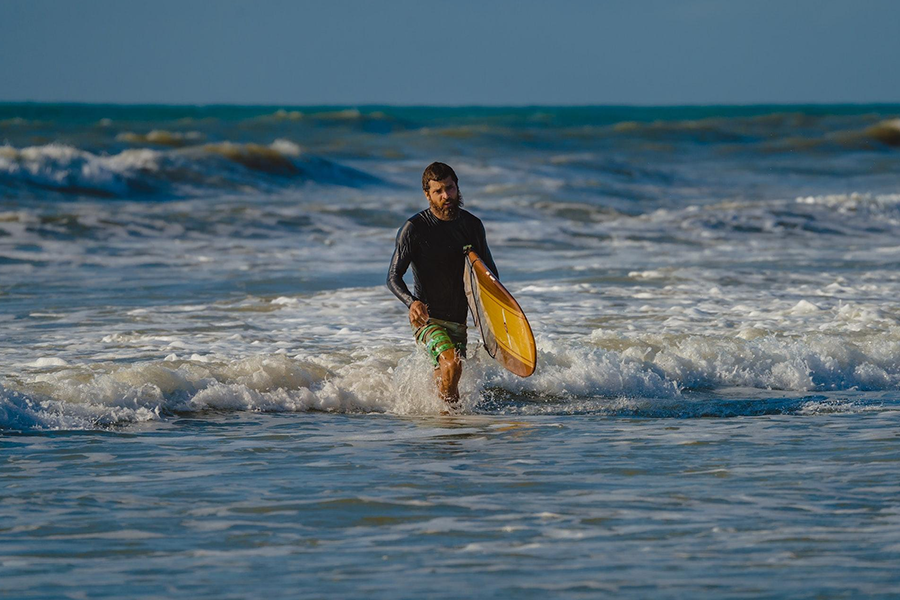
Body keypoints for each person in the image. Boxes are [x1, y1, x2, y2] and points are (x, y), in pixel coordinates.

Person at [387, 162, 498, 411]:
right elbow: (393, 276)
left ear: (458, 187)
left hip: (459, 322)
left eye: (450, 188)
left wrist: (495, 320)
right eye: (438, 191)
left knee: (448, 377)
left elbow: (490, 275)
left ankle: (443, 425)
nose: (446, 196)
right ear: (427, 194)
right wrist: (411, 302)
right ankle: (451, 422)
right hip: (428, 320)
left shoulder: (472, 226)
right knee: (452, 365)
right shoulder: (414, 229)